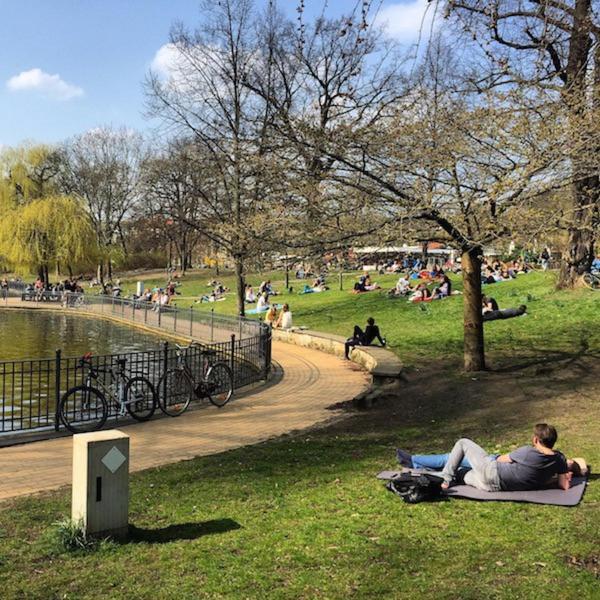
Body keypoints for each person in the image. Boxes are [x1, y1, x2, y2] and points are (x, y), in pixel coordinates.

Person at [424, 424, 571, 492]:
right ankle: (439, 477)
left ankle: (445, 479)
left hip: (492, 472)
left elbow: (500, 459)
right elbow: (564, 485)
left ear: (536, 440)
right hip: (492, 488)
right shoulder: (559, 459)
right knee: (460, 472)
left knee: (463, 443)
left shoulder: (527, 452)